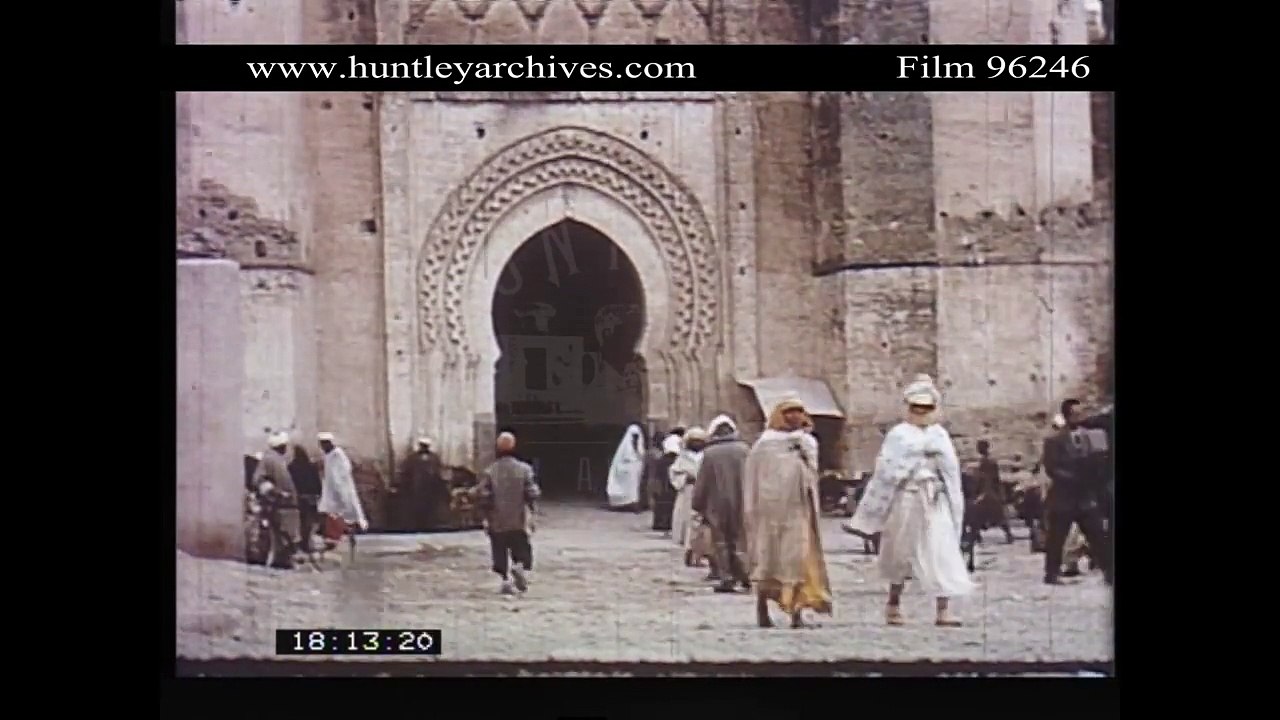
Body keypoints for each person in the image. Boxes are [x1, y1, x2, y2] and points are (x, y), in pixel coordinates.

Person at [849, 375, 974, 627]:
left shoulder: (939, 435)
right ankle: (893, 604)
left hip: (934, 498)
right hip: (907, 498)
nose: (921, 412)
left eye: (926, 408)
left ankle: (943, 608)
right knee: (900, 552)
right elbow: (886, 467)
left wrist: (945, 488)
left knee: (941, 551)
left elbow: (950, 470)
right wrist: (912, 459)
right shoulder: (899, 434)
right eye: (917, 407)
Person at [743, 399, 833, 629]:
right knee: (768, 560)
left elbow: (811, 472)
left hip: (798, 511)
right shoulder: (764, 446)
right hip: (769, 514)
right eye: (788, 412)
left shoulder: (805, 443)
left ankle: (797, 613)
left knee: (799, 559)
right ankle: (762, 610)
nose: (794, 417)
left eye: (798, 411)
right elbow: (754, 479)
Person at [1041, 399, 1113, 586]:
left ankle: (1109, 573)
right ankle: (1051, 574)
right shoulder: (1053, 440)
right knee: (1056, 539)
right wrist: (1074, 478)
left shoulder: (1091, 437)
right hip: (1064, 497)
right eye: (1075, 413)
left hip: (1085, 497)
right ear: (1067, 415)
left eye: (1081, 413)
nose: (1079, 417)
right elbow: (1051, 468)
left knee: (1098, 535)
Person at [475, 432, 541, 595]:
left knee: (499, 549)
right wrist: (532, 511)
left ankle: (504, 579)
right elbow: (532, 492)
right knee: (521, 546)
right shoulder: (524, 469)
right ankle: (519, 565)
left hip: (497, 520)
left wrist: (484, 514)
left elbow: (483, 494)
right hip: (518, 519)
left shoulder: (491, 471)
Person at [693, 414, 751, 593]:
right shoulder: (745, 450)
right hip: (743, 500)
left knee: (721, 542)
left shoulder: (710, 454)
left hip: (716, 504)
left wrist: (697, 503)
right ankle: (746, 575)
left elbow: (702, 481)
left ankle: (727, 578)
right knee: (741, 539)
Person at [317, 432, 369, 562]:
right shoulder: (328, 456)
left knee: (345, 517)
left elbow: (340, 477)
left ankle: (346, 540)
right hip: (332, 494)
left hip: (341, 493)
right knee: (335, 518)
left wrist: (341, 493)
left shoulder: (338, 456)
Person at [252, 432, 300, 569]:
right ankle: (279, 561)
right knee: (282, 535)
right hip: (278, 505)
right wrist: (276, 493)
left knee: (287, 535)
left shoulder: (278, 460)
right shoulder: (269, 460)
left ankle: (283, 560)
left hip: (286, 505)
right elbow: (259, 480)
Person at [670, 426, 708, 565]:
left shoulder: (707, 455)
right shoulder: (682, 457)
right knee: (687, 521)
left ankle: (698, 553)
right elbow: (674, 473)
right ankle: (689, 551)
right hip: (687, 491)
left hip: (703, 492)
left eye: (699, 441)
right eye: (694, 440)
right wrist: (685, 478)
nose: (697, 443)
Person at [394, 437, 444, 531]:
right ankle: (418, 526)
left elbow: (438, 473)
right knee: (417, 509)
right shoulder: (412, 458)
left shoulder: (434, 458)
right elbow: (406, 473)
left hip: (430, 490)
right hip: (416, 490)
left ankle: (429, 526)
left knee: (430, 509)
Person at [973, 440, 1014, 544]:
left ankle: (1008, 534)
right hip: (989, 491)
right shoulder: (987, 460)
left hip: (988, 491)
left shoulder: (987, 461)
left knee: (990, 514)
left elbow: (990, 478)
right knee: (993, 515)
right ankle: (977, 535)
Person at [288, 443, 323, 552]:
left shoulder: (291, 467)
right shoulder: (311, 466)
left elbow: (291, 483)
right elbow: (317, 483)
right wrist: (319, 494)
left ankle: (300, 543)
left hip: (299, 498)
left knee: (300, 522)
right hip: (311, 498)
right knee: (309, 522)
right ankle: (306, 542)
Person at [649, 429, 683, 533]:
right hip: (668, 486)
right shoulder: (676, 459)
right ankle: (665, 523)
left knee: (663, 503)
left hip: (663, 486)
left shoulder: (662, 459)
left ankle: (660, 523)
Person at [606, 424, 645, 512]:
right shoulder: (624, 447)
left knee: (635, 488)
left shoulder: (638, 445)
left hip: (635, 472)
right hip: (625, 472)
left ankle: (634, 503)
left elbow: (640, 455)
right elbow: (621, 461)